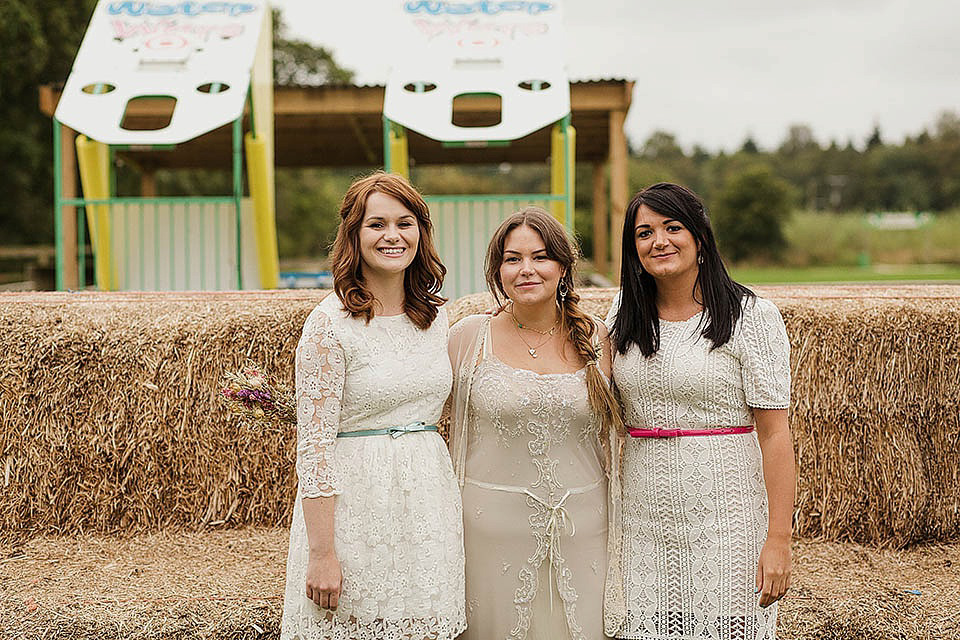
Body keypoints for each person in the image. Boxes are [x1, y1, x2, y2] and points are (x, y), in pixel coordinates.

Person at [604, 183, 795, 639]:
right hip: (641, 516)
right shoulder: (622, 313)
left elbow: (774, 434)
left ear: (701, 239)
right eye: (644, 232)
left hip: (728, 516)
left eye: (673, 228)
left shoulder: (751, 315)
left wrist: (779, 539)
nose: (659, 241)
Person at [280, 172, 466, 640]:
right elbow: (314, 449)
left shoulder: (438, 317)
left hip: (427, 499)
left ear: (420, 232)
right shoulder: (329, 324)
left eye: (405, 223)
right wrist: (323, 551)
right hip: (355, 509)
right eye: (376, 224)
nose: (392, 235)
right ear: (354, 235)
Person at [448, 206, 624, 640]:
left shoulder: (599, 338)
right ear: (498, 270)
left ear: (563, 267)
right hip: (487, 532)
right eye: (512, 259)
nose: (526, 269)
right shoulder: (469, 337)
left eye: (541, 256)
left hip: (584, 528)